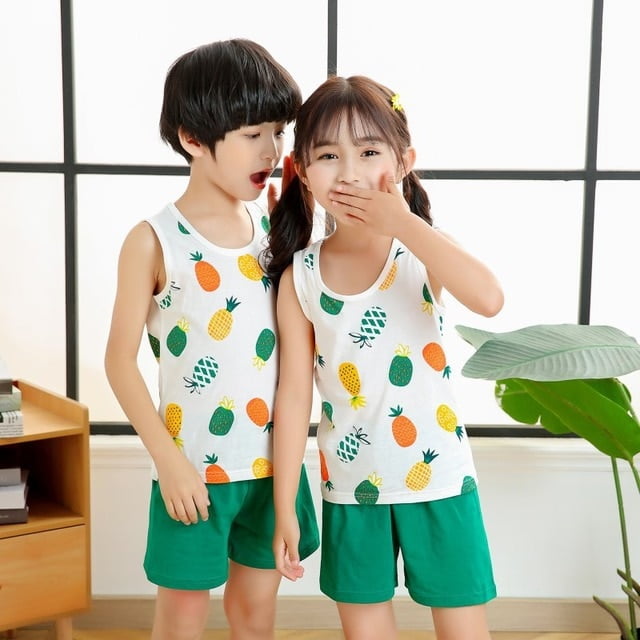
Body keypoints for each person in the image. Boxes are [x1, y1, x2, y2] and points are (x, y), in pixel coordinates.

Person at [264, 75, 504, 640]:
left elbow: (489, 299)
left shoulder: (422, 251)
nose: (349, 172)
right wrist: (284, 505)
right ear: (302, 170)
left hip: (440, 481)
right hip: (352, 488)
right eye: (328, 155)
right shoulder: (300, 276)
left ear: (403, 162)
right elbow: (293, 397)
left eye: (369, 152)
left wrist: (403, 222)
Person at [104, 39, 319, 640]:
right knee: (182, 619)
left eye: (278, 132)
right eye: (253, 134)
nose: (272, 150)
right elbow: (119, 362)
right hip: (193, 470)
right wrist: (168, 463)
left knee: (254, 614)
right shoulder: (153, 241)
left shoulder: (273, 230)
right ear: (193, 139)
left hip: (271, 470)